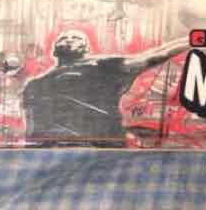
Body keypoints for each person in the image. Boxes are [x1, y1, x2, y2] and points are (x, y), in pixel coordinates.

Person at [22, 30, 187, 146]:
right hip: (72, 149)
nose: (69, 39)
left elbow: (154, 56)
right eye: (65, 38)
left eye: (75, 37)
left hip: (98, 148)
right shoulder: (35, 84)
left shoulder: (105, 66)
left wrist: (188, 41)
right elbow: (32, 129)